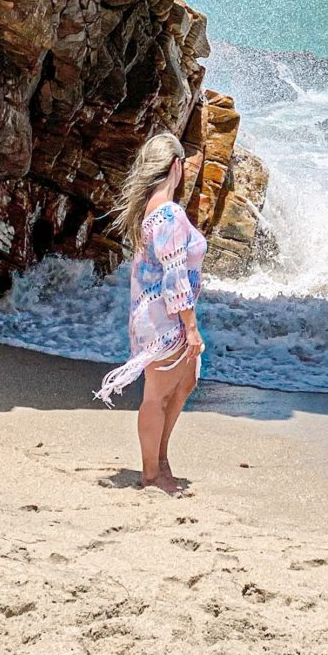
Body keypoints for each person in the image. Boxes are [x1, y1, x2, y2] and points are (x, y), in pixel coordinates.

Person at [96, 131, 208, 494]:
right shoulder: (169, 213)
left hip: (162, 314)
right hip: (165, 318)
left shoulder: (156, 212)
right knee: (157, 395)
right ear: (176, 166)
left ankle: (160, 460)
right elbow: (176, 275)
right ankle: (151, 471)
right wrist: (190, 327)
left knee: (185, 384)